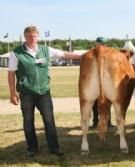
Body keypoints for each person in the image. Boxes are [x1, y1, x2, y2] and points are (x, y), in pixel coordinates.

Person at [8, 25, 82, 157]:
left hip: (44, 93)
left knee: (49, 120)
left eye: (34, 36)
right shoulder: (16, 53)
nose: (32, 38)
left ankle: (54, 148)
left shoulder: (45, 49)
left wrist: (85, 55)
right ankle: (32, 148)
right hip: (26, 93)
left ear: (38, 36)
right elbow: (11, 74)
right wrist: (13, 93)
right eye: (29, 36)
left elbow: (65, 54)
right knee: (28, 121)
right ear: (25, 37)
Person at [90, 37, 114, 129]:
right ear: (96, 44)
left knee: (108, 102)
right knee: (95, 102)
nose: (102, 46)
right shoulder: (91, 54)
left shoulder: (109, 54)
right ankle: (95, 121)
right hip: (95, 81)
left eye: (103, 44)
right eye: (100, 44)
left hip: (106, 81)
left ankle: (108, 121)